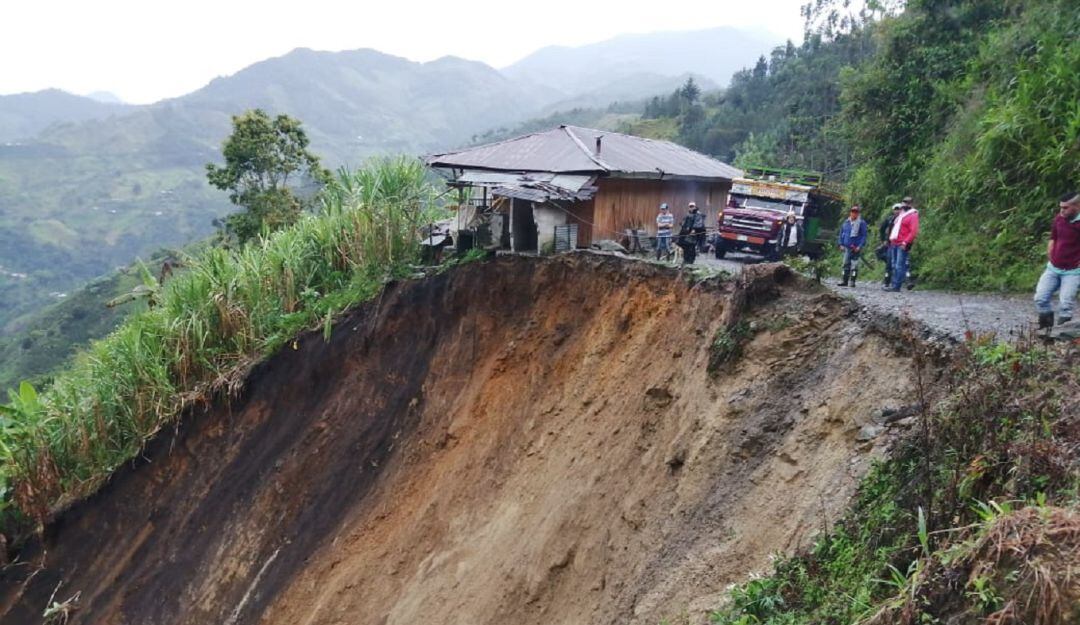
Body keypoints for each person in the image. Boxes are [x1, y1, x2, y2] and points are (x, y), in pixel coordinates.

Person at [1034, 191, 1080, 328]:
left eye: (1065, 208)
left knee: (1066, 305)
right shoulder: (1059, 219)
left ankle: (1062, 338)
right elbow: (1053, 237)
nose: (1062, 210)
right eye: (1061, 207)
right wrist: (1050, 250)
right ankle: (1045, 333)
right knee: (1040, 299)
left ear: (1077, 206)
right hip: (1053, 268)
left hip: (1073, 271)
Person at [885, 198, 919, 292]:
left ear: (911, 204)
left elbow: (913, 231)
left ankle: (896, 286)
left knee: (899, 265)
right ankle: (894, 284)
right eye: (904, 202)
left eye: (908, 202)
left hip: (902, 243)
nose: (906, 204)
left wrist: (906, 242)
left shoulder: (913, 215)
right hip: (894, 242)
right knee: (894, 265)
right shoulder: (901, 214)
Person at [837, 205, 868, 286]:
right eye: (852, 212)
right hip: (847, 247)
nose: (854, 214)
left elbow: (864, 236)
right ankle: (844, 280)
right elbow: (841, 233)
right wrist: (840, 244)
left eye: (856, 212)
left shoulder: (861, 223)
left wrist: (859, 246)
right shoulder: (846, 222)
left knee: (854, 265)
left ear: (858, 214)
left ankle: (852, 281)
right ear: (850, 213)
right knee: (845, 264)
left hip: (856, 247)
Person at [878, 203, 903, 286]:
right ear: (893, 210)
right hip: (890, 244)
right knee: (888, 263)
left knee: (899, 264)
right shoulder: (889, 219)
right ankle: (887, 281)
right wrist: (883, 240)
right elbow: (882, 229)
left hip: (900, 243)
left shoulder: (903, 219)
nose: (897, 211)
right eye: (896, 209)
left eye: (899, 209)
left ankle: (897, 282)